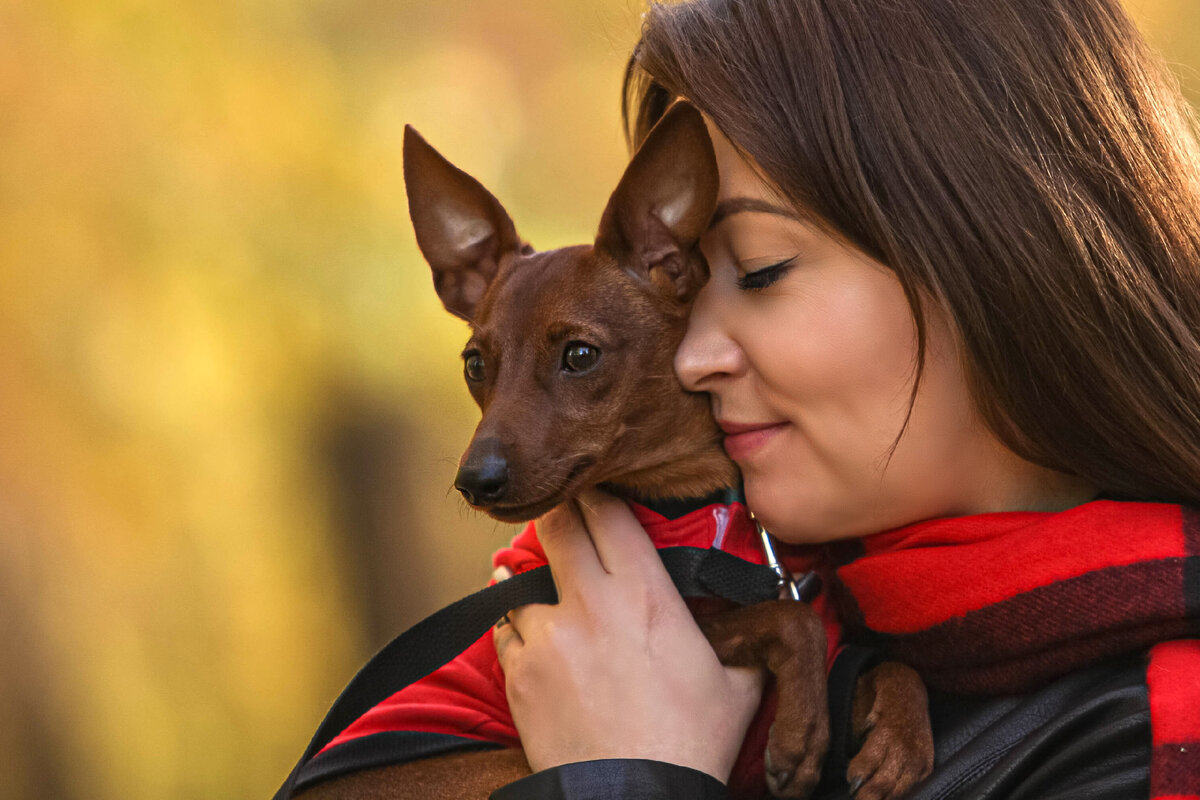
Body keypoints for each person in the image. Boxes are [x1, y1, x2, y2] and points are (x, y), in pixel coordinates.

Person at [487, 0, 1200, 798]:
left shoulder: (1153, 737)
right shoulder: (792, 632)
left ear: (1004, 255)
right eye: (685, 284)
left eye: (760, 269)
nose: (687, 356)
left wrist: (630, 774)